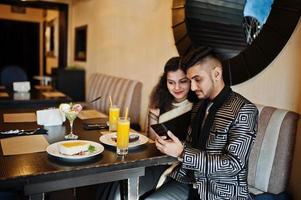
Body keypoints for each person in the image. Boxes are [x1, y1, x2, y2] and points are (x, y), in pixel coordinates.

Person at [143, 46, 258, 200]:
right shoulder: (199, 106)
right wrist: (174, 145)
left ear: (216, 73)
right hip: (189, 183)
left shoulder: (244, 110)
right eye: (190, 81)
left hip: (221, 193)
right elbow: (192, 146)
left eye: (197, 79)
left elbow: (233, 165)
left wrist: (182, 152)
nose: (192, 87)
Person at [96, 57, 196, 200]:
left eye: (183, 81)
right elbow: (150, 139)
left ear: (190, 80)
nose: (177, 88)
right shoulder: (160, 101)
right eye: (171, 82)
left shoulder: (197, 107)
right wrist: (153, 118)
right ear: (165, 82)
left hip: (176, 166)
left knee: (119, 193)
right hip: (153, 158)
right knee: (109, 182)